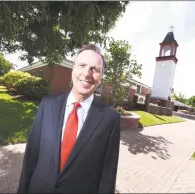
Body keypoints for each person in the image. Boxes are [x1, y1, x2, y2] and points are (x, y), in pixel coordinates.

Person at [17, 44, 121, 193]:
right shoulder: (47, 105)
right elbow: (31, 156)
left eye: (95, 69)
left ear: (101, 78)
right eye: (82, 65)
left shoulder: (111, 119)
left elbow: (108, 175)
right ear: (73, 69)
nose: (87, 73)